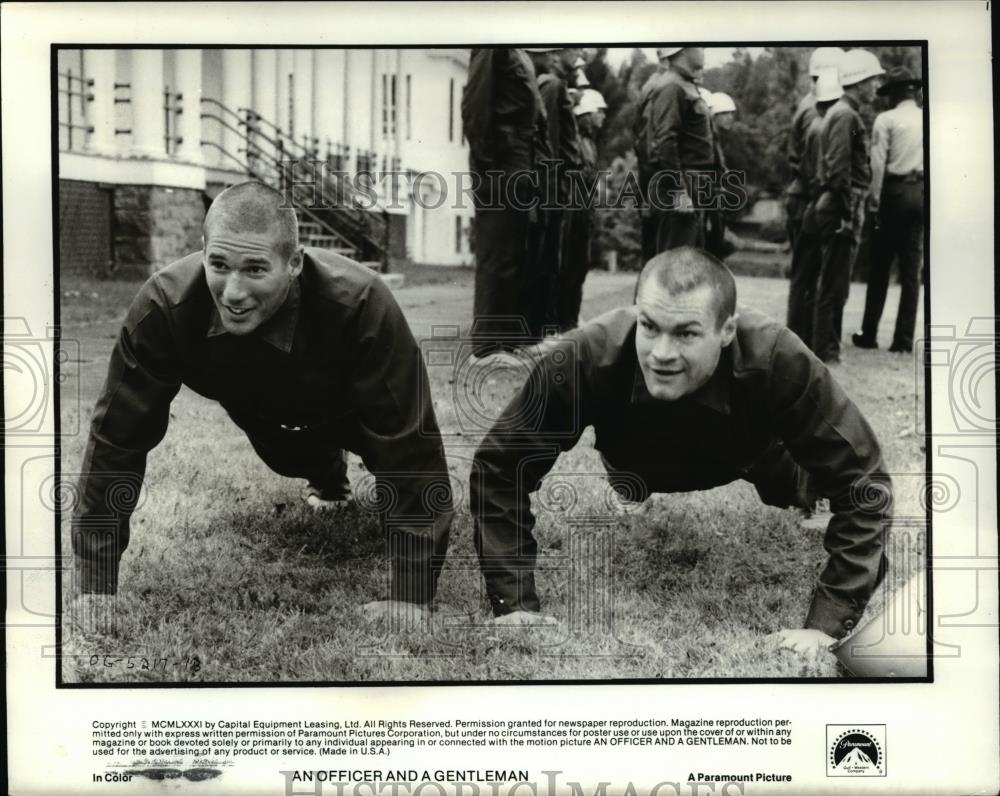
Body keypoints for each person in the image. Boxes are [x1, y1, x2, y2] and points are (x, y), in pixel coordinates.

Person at [70, 181, 453, 627]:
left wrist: (411, 594)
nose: (232, 292)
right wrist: (95, 586)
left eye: (255, 270)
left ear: (295, 262)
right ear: (203, 249)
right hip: (266, 414)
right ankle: (328, 478)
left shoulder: (362, 304)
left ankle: (337, 471)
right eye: (219, 264)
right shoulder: (163, 307)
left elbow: (411, 450)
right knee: (288, 456)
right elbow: (115, 441)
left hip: (355, 410)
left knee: (387, 462)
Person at [471, 247, 892, 651]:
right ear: (636, 310)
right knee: (631, 479)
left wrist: (826, 625)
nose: (662, 353)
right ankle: (631, 487)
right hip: (635, 461)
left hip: (753, 454)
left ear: (727, 330)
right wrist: (514, 606)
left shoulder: (777, 356)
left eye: (687, 333)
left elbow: (864, 481)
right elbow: (501, 466)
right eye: (649, 326)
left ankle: (805, 495)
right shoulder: (584, 358)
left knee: (807, 486)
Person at [462, 48, 548, 357]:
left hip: (518, 160)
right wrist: (489, 165)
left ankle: (505, 344)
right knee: (496, 255)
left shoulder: (516, 52)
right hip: (501, 162)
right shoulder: (493, 46)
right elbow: (475, 107)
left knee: (512, 256)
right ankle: (486, 348)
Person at [812, 49, 885, 364]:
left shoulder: (844, 113)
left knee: (836, 282)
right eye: (872, 81)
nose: (875, 88)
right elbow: (839, 168)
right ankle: (826, 350)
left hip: (844, 203)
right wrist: (845, 212)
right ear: (858, 81)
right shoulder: (846, 115)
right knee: (833, 283)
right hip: (843, 205)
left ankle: (829, 347)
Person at [852, 66, 925, 353]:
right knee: (911, 270)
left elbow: (878, 164)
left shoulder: (886, 119)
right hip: (918, 192)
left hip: (892, 193)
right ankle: (903, 340)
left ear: (893, 94)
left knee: (880, 266)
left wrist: (873, 201)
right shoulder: (925, 119)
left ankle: (869, 333)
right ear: (914, 91)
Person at [634, 47, 713, 261]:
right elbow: (665, 141)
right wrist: (679, 190)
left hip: (690, 183)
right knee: (672, 267)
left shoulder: (683, 84)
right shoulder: (672, 86)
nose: (704, 51)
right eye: (699, 46)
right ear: (683, 51)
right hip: (678, 186)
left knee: (685, 265)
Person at [525, 47, 582, 339]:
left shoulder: (555, 84)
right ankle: (537, 331)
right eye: (574, 49)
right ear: (557, 53)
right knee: (544, 261)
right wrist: (553, 189)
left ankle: (541, 329)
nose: (579, 55)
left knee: (550, 261)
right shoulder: (553, 84)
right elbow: (549, 141)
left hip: (555, 184)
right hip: (551, 186)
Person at [786, 66, 844, 349]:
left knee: (804, 275)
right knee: (808, 274)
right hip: (809, 201)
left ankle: (800, 335)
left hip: (804, 201)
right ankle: (802, 336)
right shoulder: (821, 124)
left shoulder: (812, 118)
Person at [785, 48, 845, 250]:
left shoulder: (809, 101)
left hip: (802, 196)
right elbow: (815, 163)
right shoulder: (816, 110)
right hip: (809, 198)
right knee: (812, 271)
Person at [558, 87, 607, 330]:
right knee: (568, 265)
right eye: (599, 111)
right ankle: (564, 318)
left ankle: (571, 316)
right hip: (572, 209)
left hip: (583, 209)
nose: (603, 117)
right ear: (586, 113)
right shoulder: (575, 140)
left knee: (579, 265)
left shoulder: (590, 143)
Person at [703, 91, 737, 260]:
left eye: (731, 113)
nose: (729, 117)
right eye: (723, 113)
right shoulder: (707, 139)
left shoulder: (715, 139)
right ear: (712, 115)